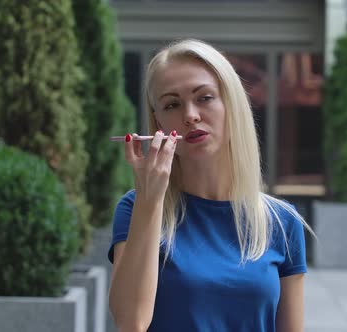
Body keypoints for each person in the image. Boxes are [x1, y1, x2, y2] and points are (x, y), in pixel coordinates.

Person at [108, 39, 312, 332]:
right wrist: (150, 200)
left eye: (204, 98)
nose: (190, 115)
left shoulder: (281, 222)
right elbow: (130, 323)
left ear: (232, 104)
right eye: (172, 104)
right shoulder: (135, 208)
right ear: (159, 124)